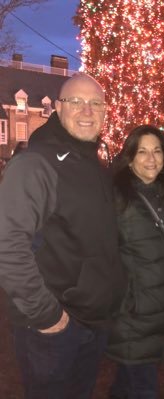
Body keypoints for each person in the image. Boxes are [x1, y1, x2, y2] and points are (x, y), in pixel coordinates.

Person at [0, 73, 126, 399]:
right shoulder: (37, 163)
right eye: (76, 102)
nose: (87, 111)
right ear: (58, 107)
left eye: (95, 103)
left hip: (92, 321)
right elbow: (7, 244)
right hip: (53, 328)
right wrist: (46, 314)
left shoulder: (94, 162)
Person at [106, 125, 164, 399]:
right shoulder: (117, 198)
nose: (151, 159)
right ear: (129, 158)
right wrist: (125, 303)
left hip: (161, 316)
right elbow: (103, 257)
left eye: (157, 151)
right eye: (142, 152)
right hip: (133, 318)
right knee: (144, 389)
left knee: (127, 384)